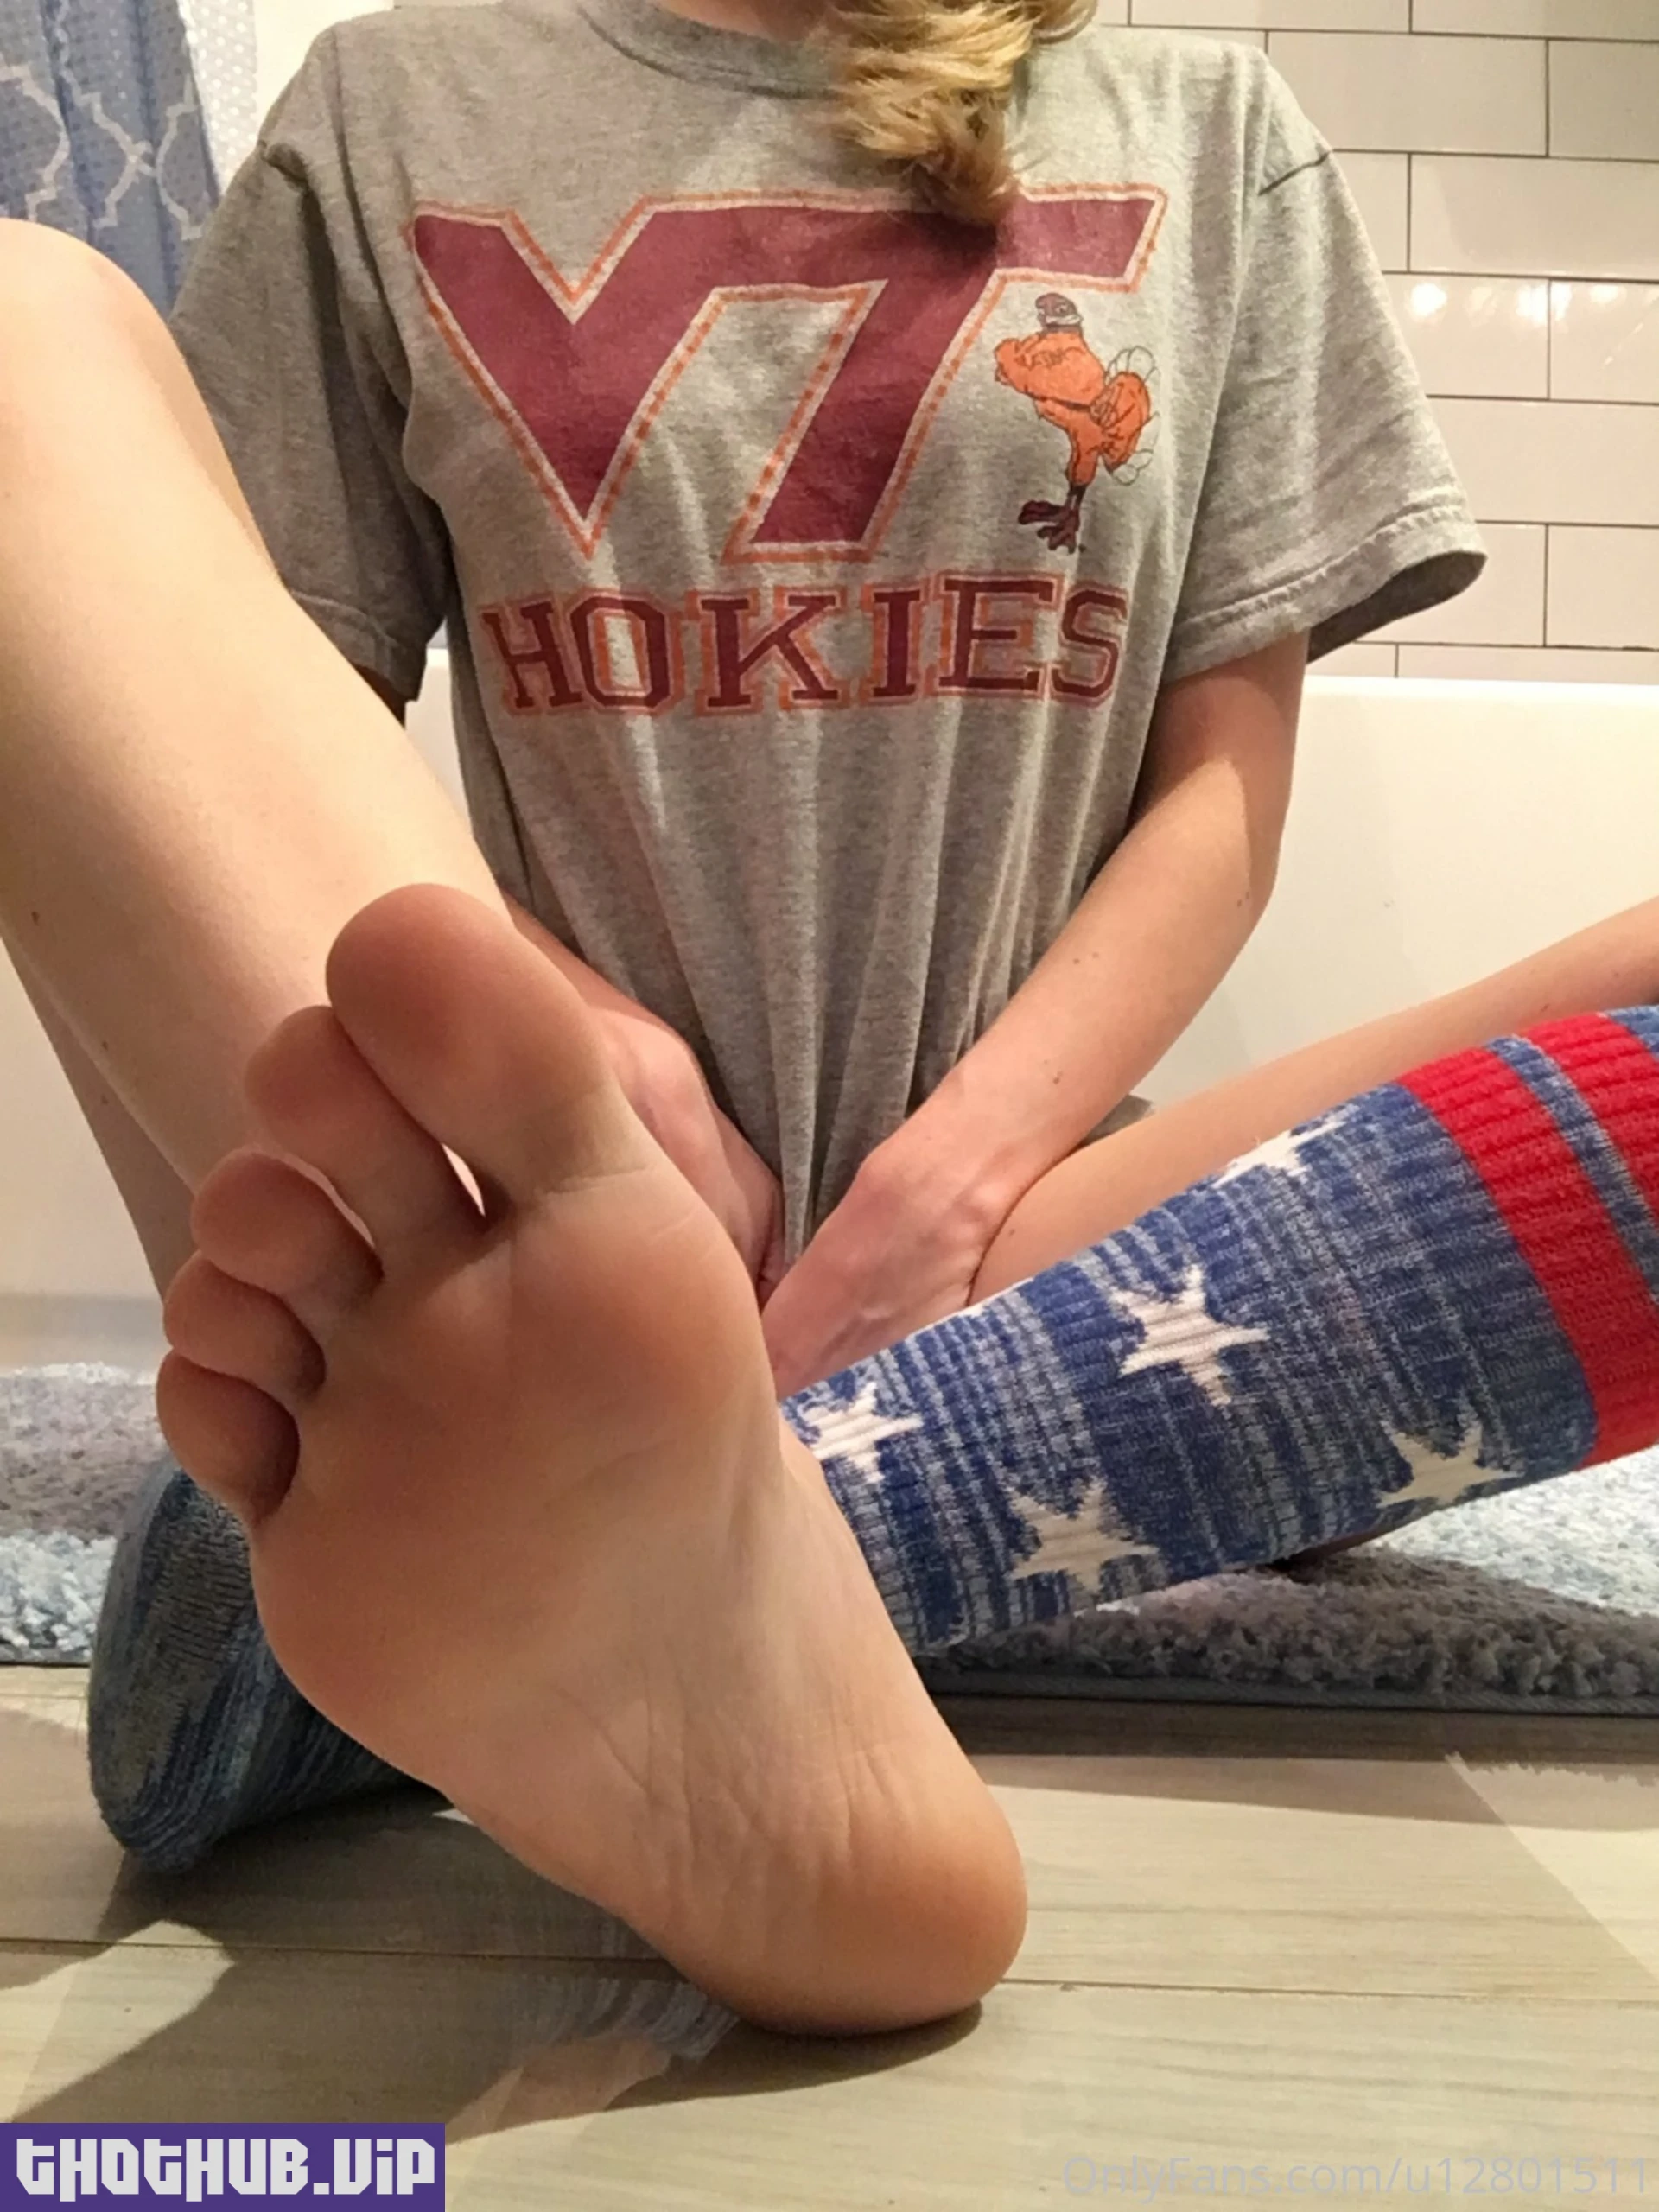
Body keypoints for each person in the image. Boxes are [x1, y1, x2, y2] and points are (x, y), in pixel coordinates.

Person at [4, 0, 1659, 2034]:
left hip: (1035, 1228)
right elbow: (253, 736)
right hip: (499, 1222)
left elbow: (1223, 795)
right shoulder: (391, 107)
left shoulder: (1208, 124)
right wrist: (582, 1054)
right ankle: (669, 1545)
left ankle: (611, 1584)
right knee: (16, 330)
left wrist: (946, 1181)